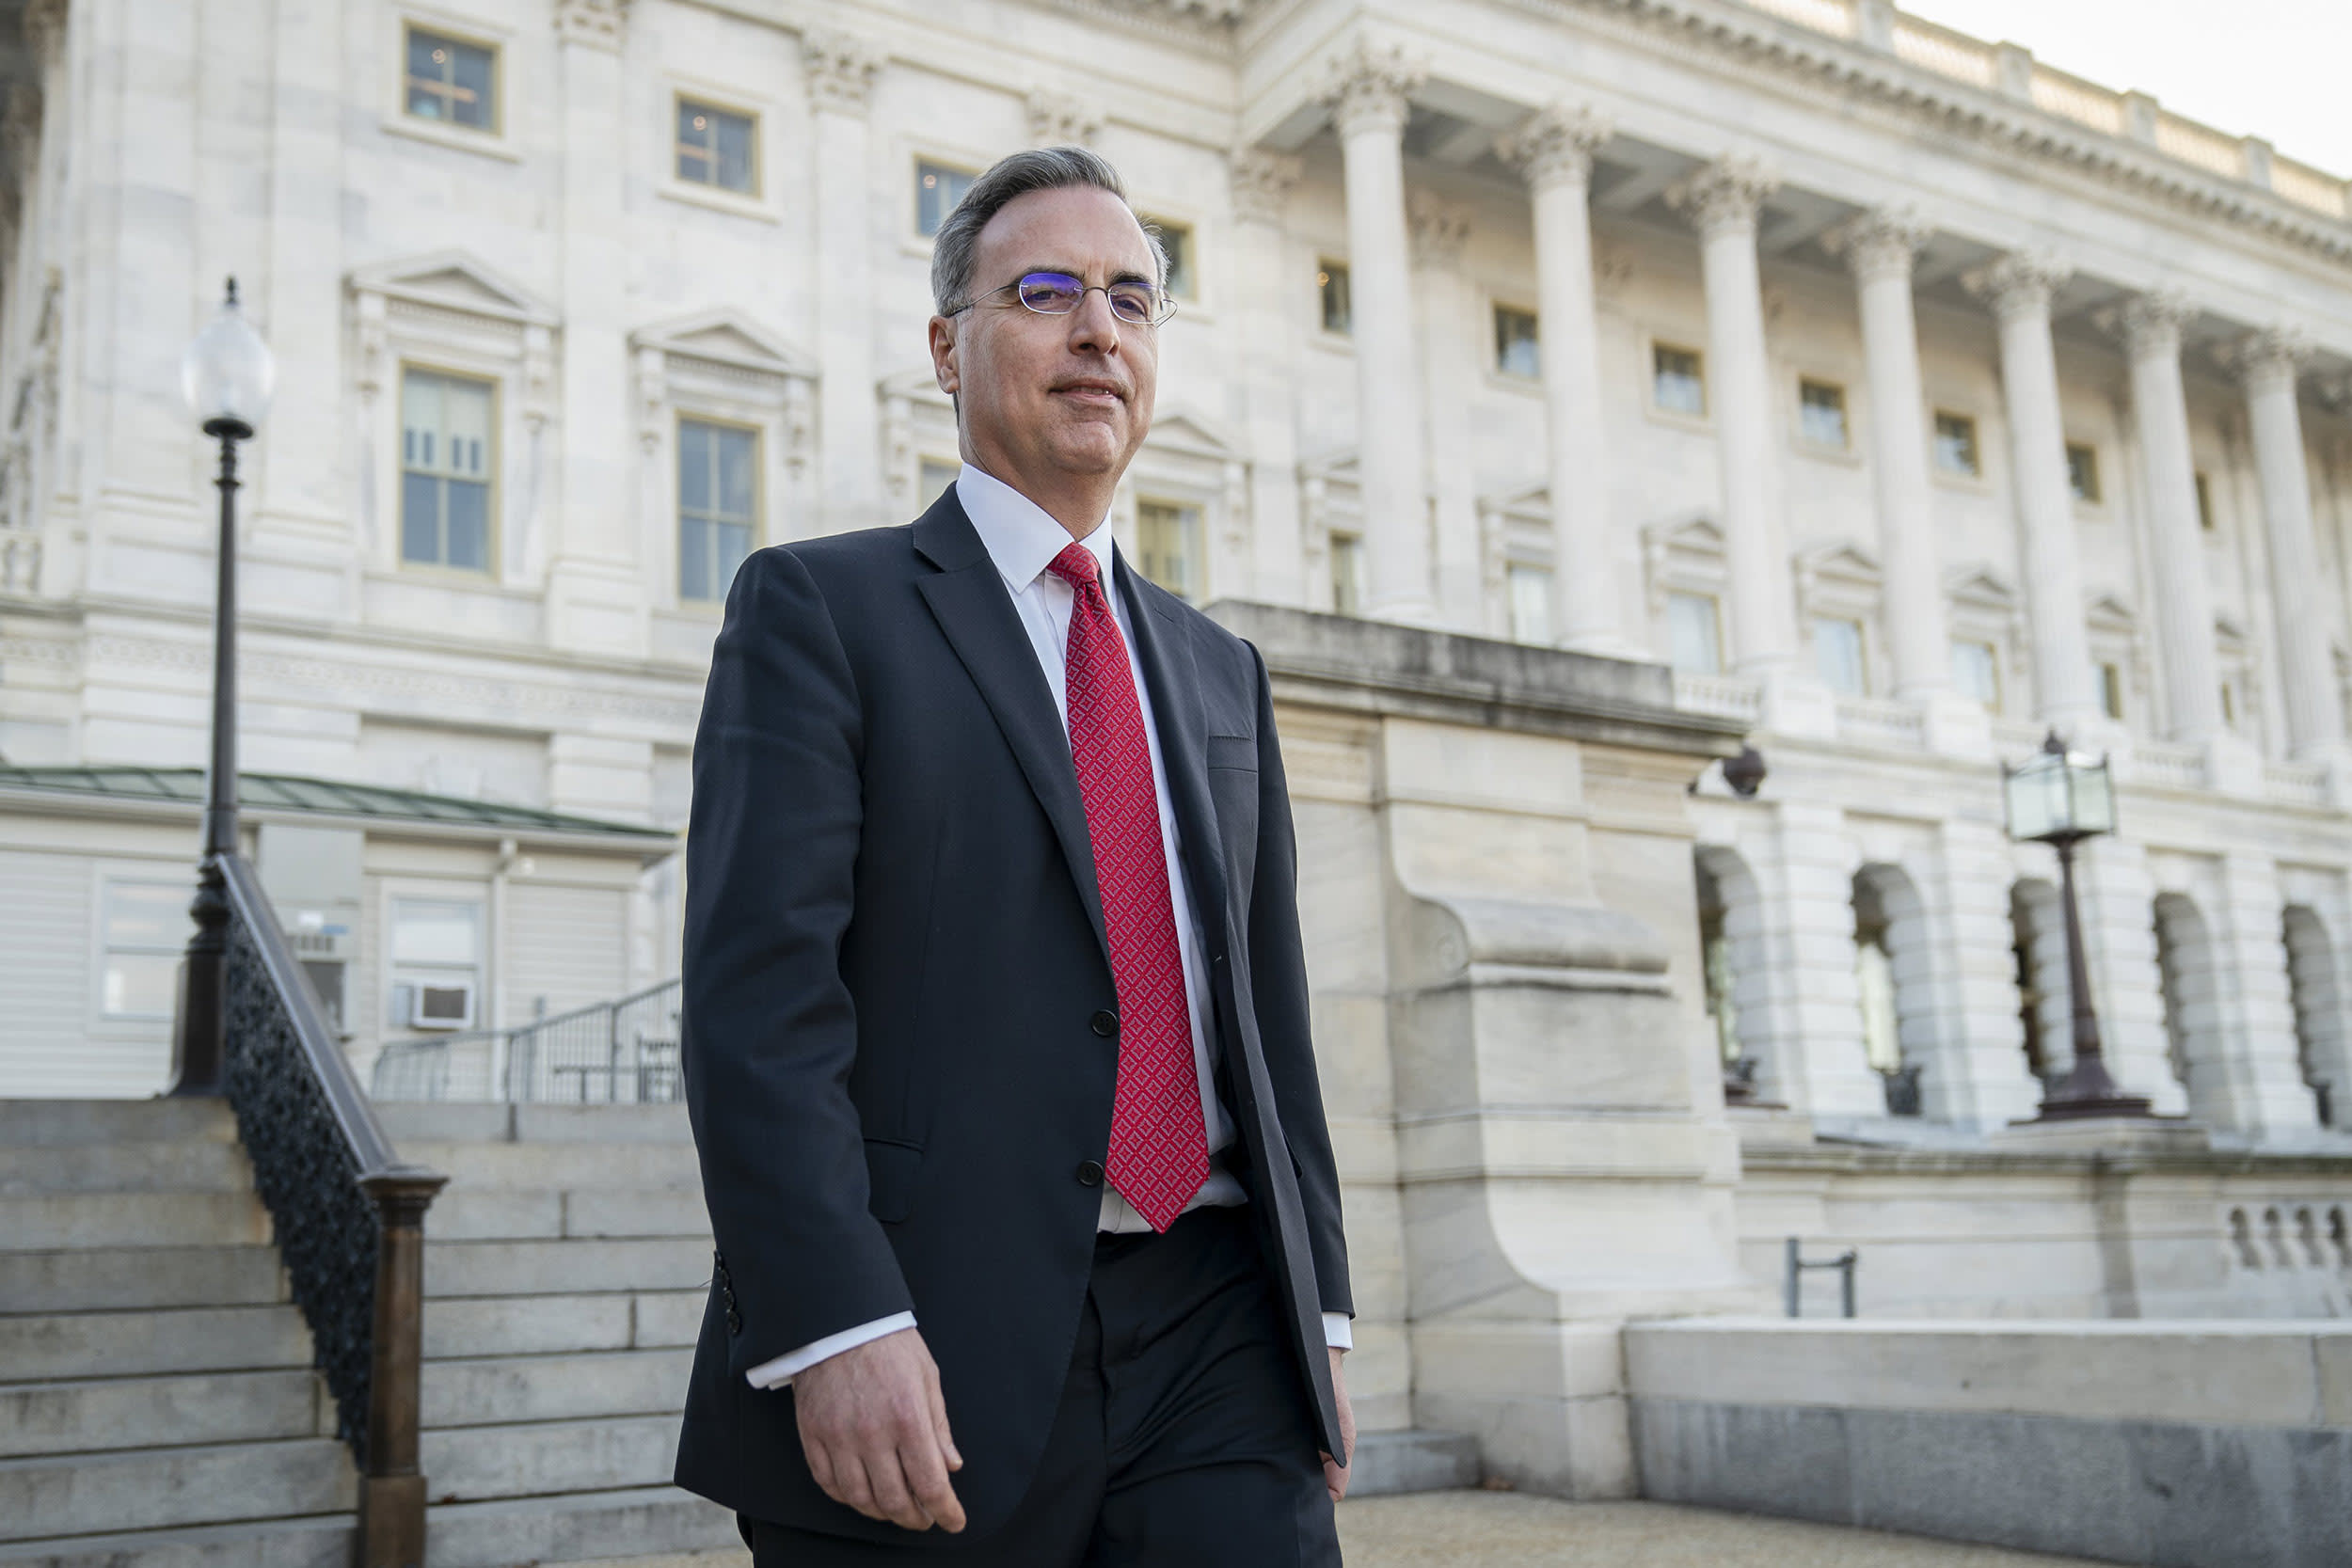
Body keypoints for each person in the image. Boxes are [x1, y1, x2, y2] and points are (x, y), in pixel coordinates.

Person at [673, 145, 1354, 1566]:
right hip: (931, 1334)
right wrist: (833, 1322)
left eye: (1134, 297)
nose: (1098, 328)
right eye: (1046, 291)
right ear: (947, 348)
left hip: (1222, 1327)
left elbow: (1268, 1026)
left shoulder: (1220, 670)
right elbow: (760, 1009)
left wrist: (1318, 1317)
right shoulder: (820, 612)